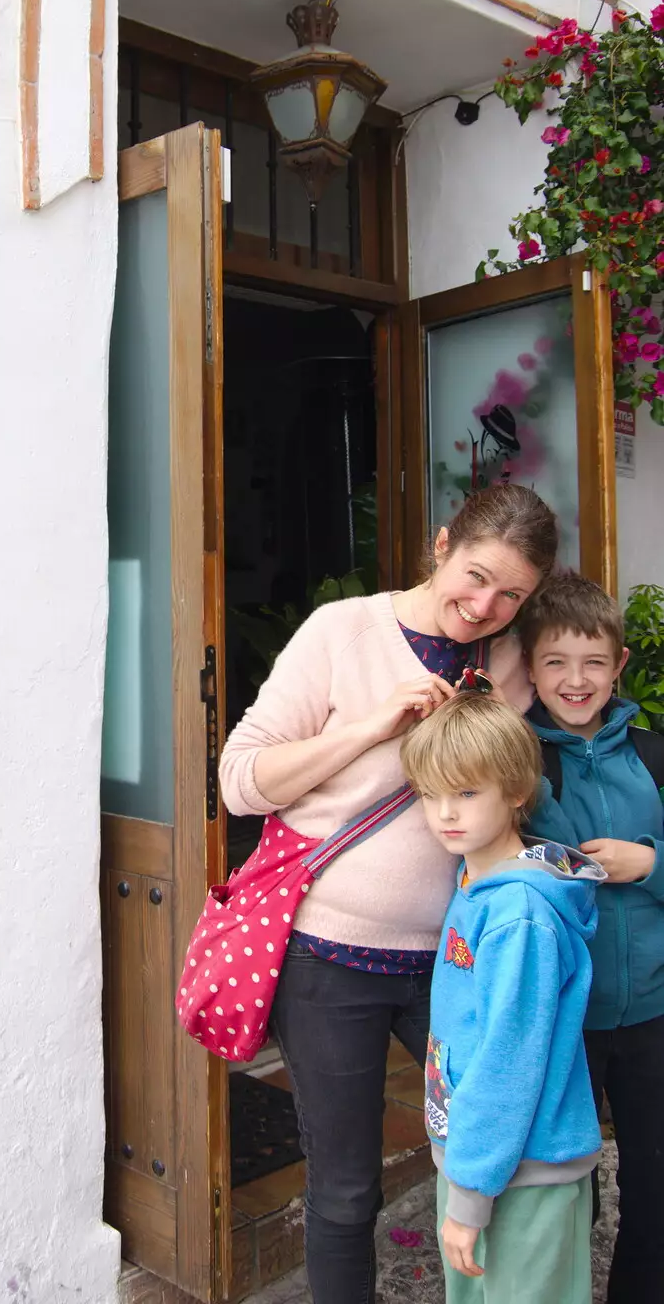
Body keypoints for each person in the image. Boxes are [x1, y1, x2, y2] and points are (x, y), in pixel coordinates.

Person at [218, 483, 558, 1304]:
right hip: (328, 965)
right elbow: (239, 783)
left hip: (455, 957)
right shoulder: (343, 632)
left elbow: (574, 706)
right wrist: (371, 727)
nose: (484, 605)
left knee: (499, 1147)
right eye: (474, 576)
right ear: (440, 545)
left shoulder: (510, 656)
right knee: (343, 1190)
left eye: (511, 593)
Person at [401, 693, 604, 1304]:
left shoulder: (518, 916)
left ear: (517, 791)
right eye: (430, 793)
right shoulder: (476, 879)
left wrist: (469, 1196)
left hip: (521, 1169)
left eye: (466, 793)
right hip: (479, 1158)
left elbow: (508, 1060)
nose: (445, 814)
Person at [521, 572, 664, 1303]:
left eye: (593, 662)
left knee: (654, 1183)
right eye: (554, 662)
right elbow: (494, 860)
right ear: (529, 666)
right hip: (561, 1019)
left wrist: (650, 863)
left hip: (651, 1012)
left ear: (618, 665)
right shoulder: (520, 761)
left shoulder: (652, 754)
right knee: (569, 1191)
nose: (575, 681)